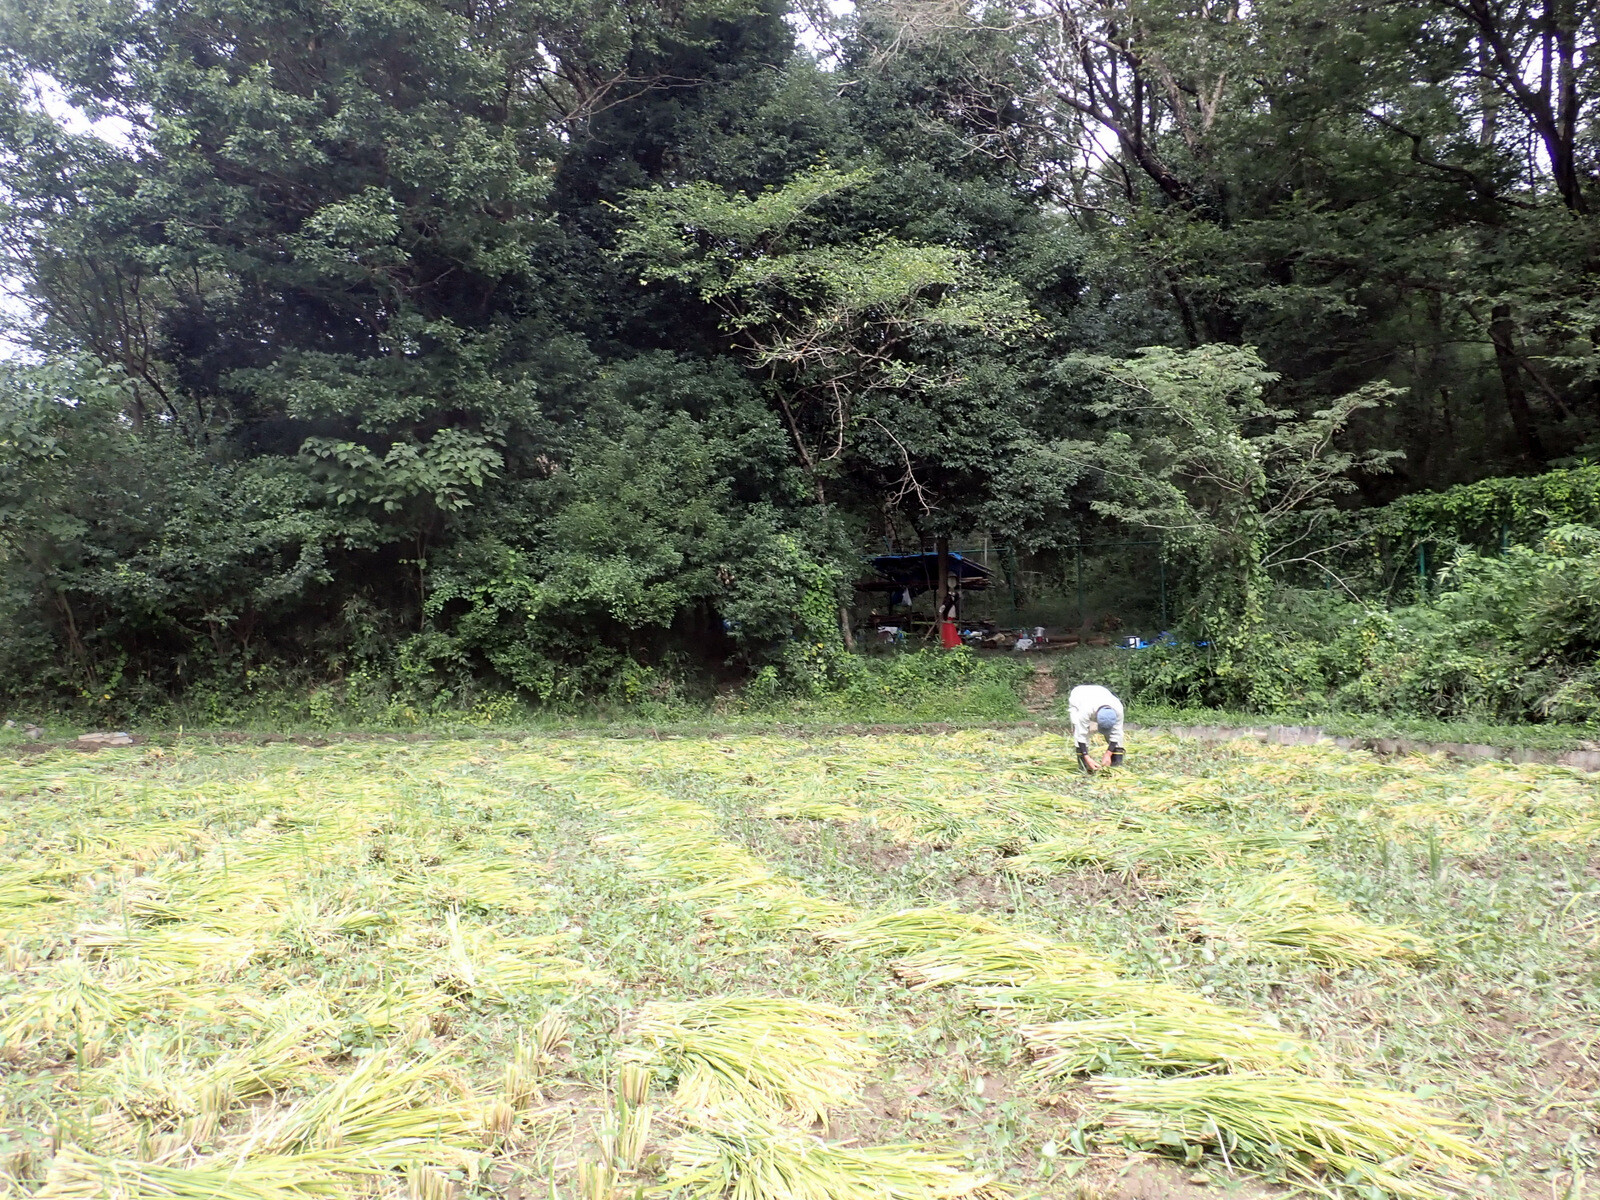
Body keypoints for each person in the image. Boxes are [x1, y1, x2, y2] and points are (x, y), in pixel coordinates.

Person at [1067, 683, 1125, 773]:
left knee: (1118, 737)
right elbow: (1081, 734)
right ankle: (1084, 765)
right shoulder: (1085, 710)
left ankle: (1115, 763)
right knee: (1081, 730)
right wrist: (1087, 757)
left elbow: (1116, 733)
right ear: (1096, 716)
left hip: (1101, 692)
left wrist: (1108, 754)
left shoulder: (1118, 710)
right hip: (1079, 696)